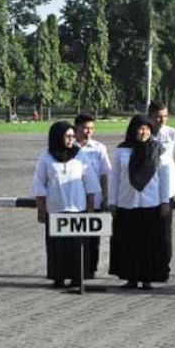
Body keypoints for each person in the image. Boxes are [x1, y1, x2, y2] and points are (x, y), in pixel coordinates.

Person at [32, 121, 100, 288]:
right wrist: (41, 209)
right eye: (67, 136)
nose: (71, 139)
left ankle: (77, 277)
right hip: (55, 209)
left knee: (77, 245)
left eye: (72, 136)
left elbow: (90, 182)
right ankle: (58, 276)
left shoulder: (80, 155)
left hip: (77, 209)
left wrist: (91, 208)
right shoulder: (45, 157)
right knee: (57, 246)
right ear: (57, 137)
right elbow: (39, 184)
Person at [109, 114, 172, 290]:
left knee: (148, 244)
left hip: (150, 203)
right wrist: (112, 201)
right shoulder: (122, 151)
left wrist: (165, 201)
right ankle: (130, 278)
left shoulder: (158, 149)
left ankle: (147, 278)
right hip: (126, 203)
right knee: (129, 243)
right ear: (132, 130)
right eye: (139, 128)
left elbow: (165, 177)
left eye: (146, 129)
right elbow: (114, 177)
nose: (142, 132)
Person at [149, 101, 175, 265]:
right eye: (158, 116)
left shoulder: (173, 134)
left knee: (164, 230)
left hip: (166, 189)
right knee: (149, 229)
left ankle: (164, 265)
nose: (162, 120)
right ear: (150, 116)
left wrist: (166, 177)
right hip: (146, 189)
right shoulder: (144, 132)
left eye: (165, 116)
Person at [74, 113, 111, 273]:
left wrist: (105, 196)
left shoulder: (99, 148)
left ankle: (90, 269)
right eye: (85, 128)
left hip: (94, 200)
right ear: (76, 128)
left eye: (91, 128)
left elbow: (104, 173)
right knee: (74, 237)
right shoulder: (69, 146)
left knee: (92, 238)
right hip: (73, 200)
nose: (88, 132)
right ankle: (74, 269)